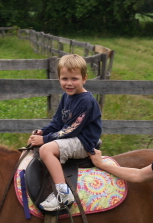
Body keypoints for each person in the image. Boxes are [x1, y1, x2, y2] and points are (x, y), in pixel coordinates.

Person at [28, 54, 102, 211]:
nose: (69, 83)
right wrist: (43, 132)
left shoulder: (86, 101)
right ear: (59, 78)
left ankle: (63, 194)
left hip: (83, 141)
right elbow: (58, 122)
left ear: (84, 78)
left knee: (46, 150)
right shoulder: (66, 96)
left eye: (74, 79)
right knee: (40, 146)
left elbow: (71, 129)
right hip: (72, 136)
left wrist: (45, 140)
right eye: (65, 79)